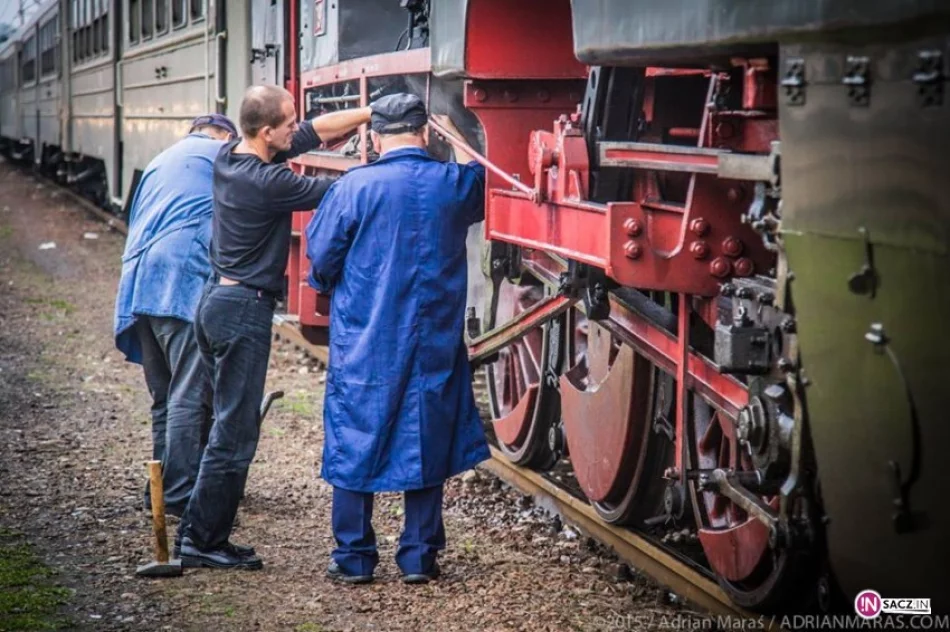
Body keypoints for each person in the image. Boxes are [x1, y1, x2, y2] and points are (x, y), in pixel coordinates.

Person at [176, 85, 372, 571]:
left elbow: (309, 134)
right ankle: (201, 540)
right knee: (235, 432)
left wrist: (369, 112)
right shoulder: (268, 182)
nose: (297, 128)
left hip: (218, 301)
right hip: (242, 309)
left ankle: (203, 533)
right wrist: (391, 162)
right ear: (266, 133)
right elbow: (345, 190)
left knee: (225, 423)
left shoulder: (231, 156)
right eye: (287, 123)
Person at [305, 93, 490, 585]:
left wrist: (328, 288)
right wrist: (461, 138)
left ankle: (354, 558)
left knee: (354, 435)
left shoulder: (352, 187)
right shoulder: (452, 183)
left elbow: (321, 259)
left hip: (366, 337)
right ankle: (417, 558)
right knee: (426, 435)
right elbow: (482, 178)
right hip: (432, 339)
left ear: (373, 136)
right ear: (427, 134)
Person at [113, 113, 238, 518]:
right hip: (181, 280)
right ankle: (181, 496)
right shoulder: (224, 153)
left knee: (164, 396)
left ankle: (160, 488)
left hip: (141, 283)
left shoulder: (160, 160)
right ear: (225, 134)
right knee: (189, 395)